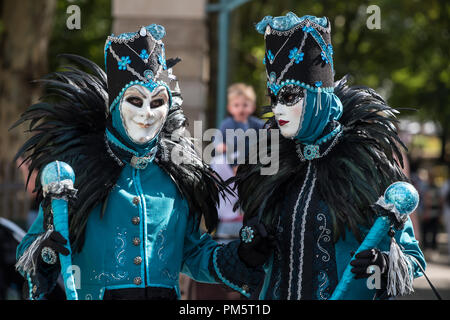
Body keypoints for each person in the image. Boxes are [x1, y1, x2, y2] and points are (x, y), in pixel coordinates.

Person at [13, 24, 270, 300]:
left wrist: (243, 255)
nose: (147, 114)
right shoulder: (80, 172)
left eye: (157, 102)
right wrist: (47, 251)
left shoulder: (177, 175)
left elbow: (193, 253)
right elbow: (29, 253)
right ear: (115, 104)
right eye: (135, 100)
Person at [228, 12, 426, 300]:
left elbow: (413, 260)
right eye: (273, 99)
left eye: (290, 96)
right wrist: (248, 252)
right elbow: (250, 269)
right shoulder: (266, 166)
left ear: (320, 95)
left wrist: (387, 265)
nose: (278, 109)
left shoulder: (368, 164)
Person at [215, 83, 265, 167]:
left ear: (252, 107)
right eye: (236, 105)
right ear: (229, 108)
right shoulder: (227, 124)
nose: (241, 109)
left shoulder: (254, 123)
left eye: (245, 105)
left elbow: (266, 129)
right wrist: (220, 145)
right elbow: (217, 137)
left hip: (250, 159)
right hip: (232, 158)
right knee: (218, 162)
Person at [420, 171, 442, 259]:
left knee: (433, 232)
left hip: (433, 213)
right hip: (429, 213)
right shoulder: (426, 187)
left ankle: (432, 250)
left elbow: (439, 201)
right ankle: (427, 250)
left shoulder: (435, 188)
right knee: (427, 232)